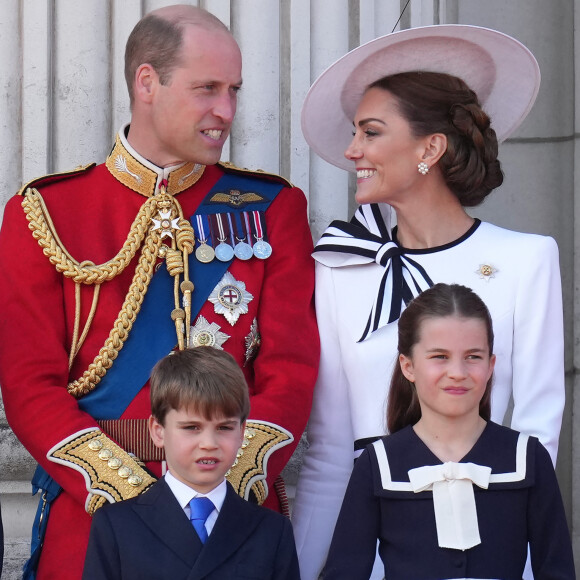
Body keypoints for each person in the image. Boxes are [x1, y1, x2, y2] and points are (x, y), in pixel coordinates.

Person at [0, 5, 318, 579]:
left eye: (234, 91)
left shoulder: (273, 209)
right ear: (147, 82)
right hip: (95, 512)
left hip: (231, 512)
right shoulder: (45, 214)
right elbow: (28, 382)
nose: (226, 111)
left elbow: (291, 369)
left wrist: (224, 474)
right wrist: (131, 497)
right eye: (207, 89)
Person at [292, 25, 564, 579]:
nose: (352, 152)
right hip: (371, 549)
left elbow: (538, 437)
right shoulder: (339, 269)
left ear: (430, 148)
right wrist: (303, 565)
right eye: (354, 133)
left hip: (491, 543)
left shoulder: (526, 260)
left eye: (370, 133)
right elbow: (328, 454)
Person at [322, 283, 574, 579]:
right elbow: (344, 572)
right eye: (440, 356)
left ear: (491, 365)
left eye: (473, 356)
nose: (457, 371)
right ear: (408, 366)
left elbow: (557, 571)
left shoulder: (528, 458)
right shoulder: (378, 463)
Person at [82, 347, 301, 580]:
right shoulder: (116, 525)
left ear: (241, 432)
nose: (208, 443)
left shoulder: (273, 531)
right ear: (158, 431)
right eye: (191, 428)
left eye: (224, 427)